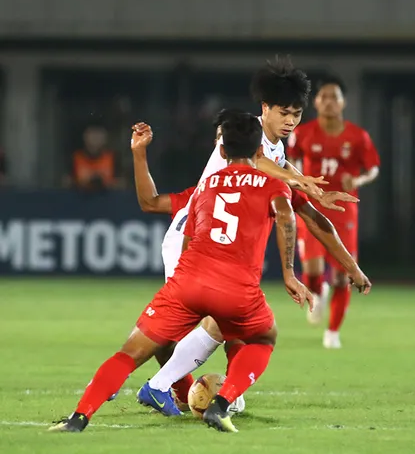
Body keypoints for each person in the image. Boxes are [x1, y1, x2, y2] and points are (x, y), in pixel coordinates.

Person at [49, 110, 317, 433]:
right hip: (236, 288)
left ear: (221, 151)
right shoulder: (270, 184)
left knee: (131, 352)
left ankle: (78, 419)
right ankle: (222, 402)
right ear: (261, 152)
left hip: (189, 280)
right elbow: (287, 217)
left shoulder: (204, 188)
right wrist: (288, 273)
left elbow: (183, 232)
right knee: (262, 337)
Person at [131, 121, 371, 416]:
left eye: (295, 114)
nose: (290, 121)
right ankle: (165, 386)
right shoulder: (215, 187)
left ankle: (187, 391)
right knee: (212, 326)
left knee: (222, 326)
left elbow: (312, 217)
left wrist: (350, 265)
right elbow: (152, 203)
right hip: (196, 260)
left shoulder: (256, 183)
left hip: (214, 266)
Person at [287, 74, 380, 349]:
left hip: (344, 208)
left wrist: (359, 180)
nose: (329, 102)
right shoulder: (302, 133)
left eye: (334, 97)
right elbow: (291, 164)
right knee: (313, 270)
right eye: (324, 97)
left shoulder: (357, 136)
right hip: (311, 205)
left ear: (343, 103)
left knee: (342, 274)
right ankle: (318, 291)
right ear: (316, 102)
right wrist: (299, 183)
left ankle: (333, 331)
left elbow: (373, 166)